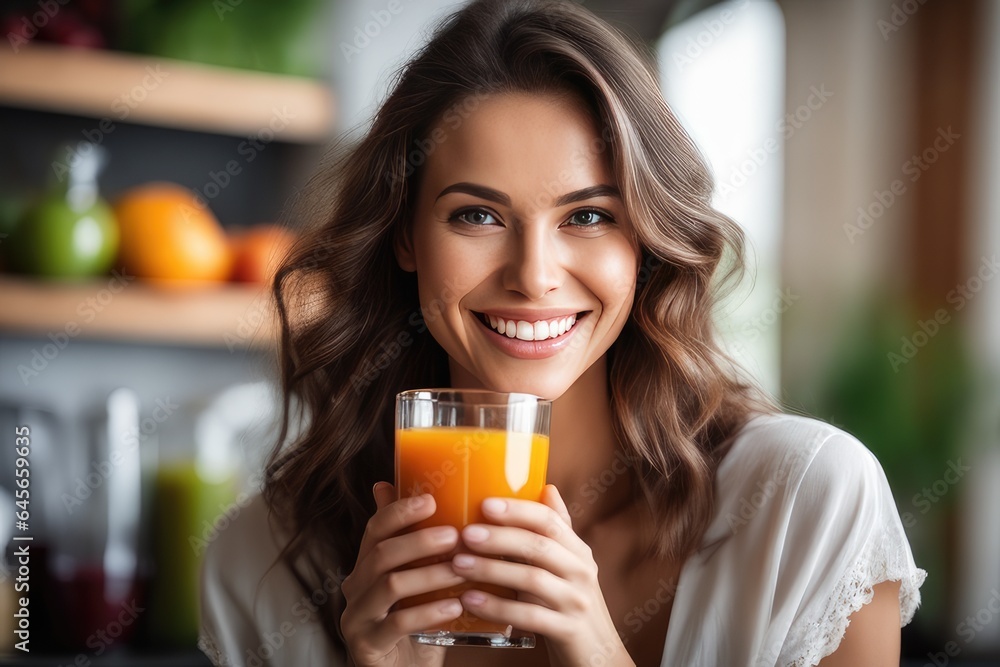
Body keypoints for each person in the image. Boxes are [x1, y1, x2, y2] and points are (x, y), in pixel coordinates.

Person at [198, 0, 926, 665]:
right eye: (476, 215)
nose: (534, 274)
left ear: (644, 241)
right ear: (405, 236)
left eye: (588, 216)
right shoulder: (259, 563)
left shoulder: (805, 505)